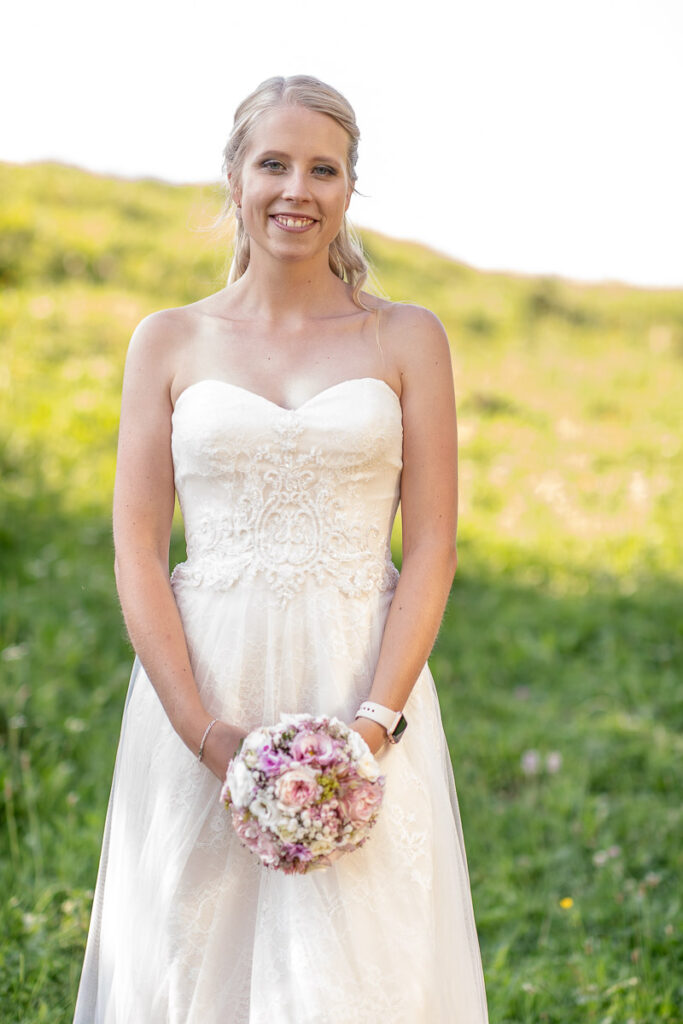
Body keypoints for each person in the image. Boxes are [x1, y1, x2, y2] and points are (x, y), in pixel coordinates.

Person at [73, 74, 489, 1023]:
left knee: (358, 963)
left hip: (358, 676)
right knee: (190, 950)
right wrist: (204, 733)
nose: (295, 189)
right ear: (233, 177)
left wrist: (370, 732)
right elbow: (136, 549)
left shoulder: (407, 338)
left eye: (322, 169)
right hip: (204, 681)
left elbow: (430, 547)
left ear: (349, 190)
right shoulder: (167, 341)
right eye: (273, 163)